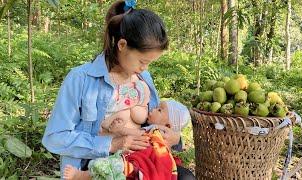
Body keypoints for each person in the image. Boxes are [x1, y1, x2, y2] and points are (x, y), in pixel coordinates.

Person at [41, 0, 195, 179]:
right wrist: (112, 144)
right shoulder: (80, 79)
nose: (145, 68)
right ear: (122, 45)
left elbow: (154, 121)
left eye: (149, 63)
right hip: (92, 166)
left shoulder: (143, 78)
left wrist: (175, 139)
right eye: (143, 61)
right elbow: (55, 137)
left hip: (137, 161)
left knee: (185, 177)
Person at [63, 100, 191, 180]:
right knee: (114, 169)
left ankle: (82, 176)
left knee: (113, 167)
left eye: (159, 110)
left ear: (168, 125)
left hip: (145, 160)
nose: (152, 109)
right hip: (131, 155)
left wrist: (120, 130)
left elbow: (139, 133)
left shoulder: (157, 131)